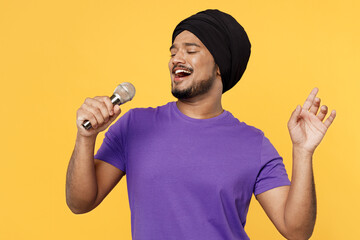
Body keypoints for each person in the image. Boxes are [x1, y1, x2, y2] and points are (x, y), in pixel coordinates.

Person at [66, 9, 336, 240]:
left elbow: (296, 230)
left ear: (220, 66)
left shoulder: (253, 143)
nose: (176, 59)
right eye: (173, 52)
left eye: (190, 50)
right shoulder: (135, 125)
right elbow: (80, 202)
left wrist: (303, 152)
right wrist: (85, 138)